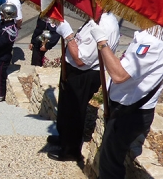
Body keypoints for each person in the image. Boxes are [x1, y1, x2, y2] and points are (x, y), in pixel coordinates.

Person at [77, 27, 163, 179]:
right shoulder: (156, 37)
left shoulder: (153, 42)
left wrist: (102, 43)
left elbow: (119, 75)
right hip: (125, 105)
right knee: (108, 151)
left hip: (131, 110)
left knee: (113, 154)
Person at [48, 13, 121, 162]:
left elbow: (81, 59)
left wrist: (68, 35)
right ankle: (64, 138)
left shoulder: (105, 25)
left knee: (74, 110)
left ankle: (70, 150)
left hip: (84, 74)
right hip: (74, 69)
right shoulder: (96, 17)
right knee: (66, 106)